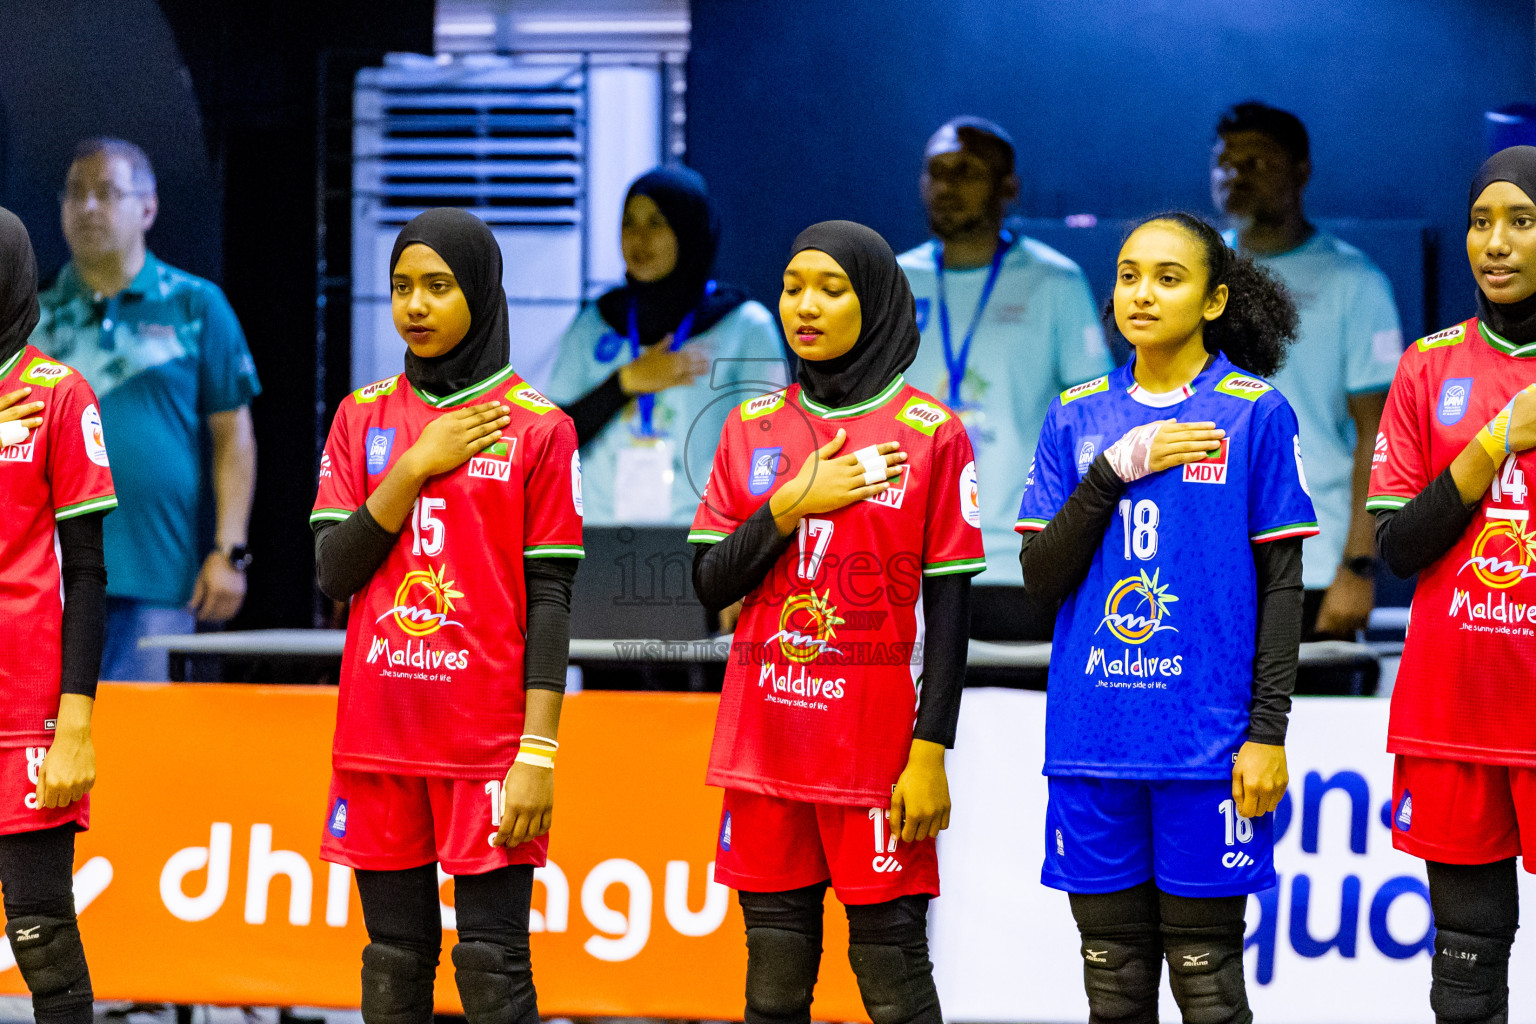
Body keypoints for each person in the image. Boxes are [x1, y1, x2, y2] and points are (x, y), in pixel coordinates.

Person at [1017, 213, 1312, 1024]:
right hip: (1094, 739)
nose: (1141, 292)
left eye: (1168, 277)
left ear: (1216, 298)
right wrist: (1112, 470)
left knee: (1208, 986)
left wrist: (1267, 733)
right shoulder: (1075, 415)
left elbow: (1282, 587)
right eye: (1128, 274)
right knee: (1112, 990)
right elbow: (1040, 578)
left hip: (1208, 745)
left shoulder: (1255, 413)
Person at [690, 221, 983, 1024]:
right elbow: (710, 579)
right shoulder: (750, 427)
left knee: (892, 979)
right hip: (766, 749)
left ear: (877, 301)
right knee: (773, 988)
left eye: (831, 288)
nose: (805, 306)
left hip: (877, 759)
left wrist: (930, 753)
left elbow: (954, 613)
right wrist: (793, 502)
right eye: (792, 287)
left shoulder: (931, 433)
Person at [310, 208, 583, 1024]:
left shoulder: (539, 428)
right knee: (393, 966)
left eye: (438, 286)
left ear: (482, 293)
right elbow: (333, 570)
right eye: (402, 288)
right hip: (380, 734)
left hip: (488, 744)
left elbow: (551, 602)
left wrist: (538, 749)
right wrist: (416, 465)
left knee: (491, 968)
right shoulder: (362, 416)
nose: (416, 306)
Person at [1368, 145, 1536, 1024]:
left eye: (1522, 220)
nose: (1494, 243)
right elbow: (1398, 546)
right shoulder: (1428, 366)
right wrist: (1495, 442)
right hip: (1455, 707)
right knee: (1467, 969)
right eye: (1481, 222)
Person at [30, 137, 260, 681]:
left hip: (158, 580)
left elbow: (234, 438)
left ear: (149, 207)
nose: (87, 207)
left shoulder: (196, 305)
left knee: (140, 752)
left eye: (107, 193)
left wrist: (230, 551)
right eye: (75, 194)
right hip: (40, 582)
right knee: (37, 752)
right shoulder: (28, 316)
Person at [898, 116, 1113, 640]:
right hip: (904, 565)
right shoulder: (894, 280)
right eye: (936, 172)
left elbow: (1098, 426)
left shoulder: (1054, 282)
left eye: (966, 172)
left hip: (1019, 562)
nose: (946, 187)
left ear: (1009, 188)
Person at [1213, 102, 1402, 644]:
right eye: (1226, 163)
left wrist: (1359, 565)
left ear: (1301, 170)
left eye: (1256, 162)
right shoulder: (1196, 272)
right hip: (1201, 565)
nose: (1236, 176)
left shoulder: (1354, 281)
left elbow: (1379, 433)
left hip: (1311, 562)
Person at [0, 208, 114, 1024]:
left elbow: (88, 572)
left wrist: (75, 720)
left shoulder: (59, 396)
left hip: (26, 713)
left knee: (43, 938)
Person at [546, 166, 787, 532]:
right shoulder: (595, 321)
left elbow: (774, 447)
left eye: (656, 223)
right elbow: (551, 443)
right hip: (597, 540)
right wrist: (624, 383)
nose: (638, 239)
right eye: (629, 223)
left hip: (705, 543)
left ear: (687, 230)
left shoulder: (744, 326)